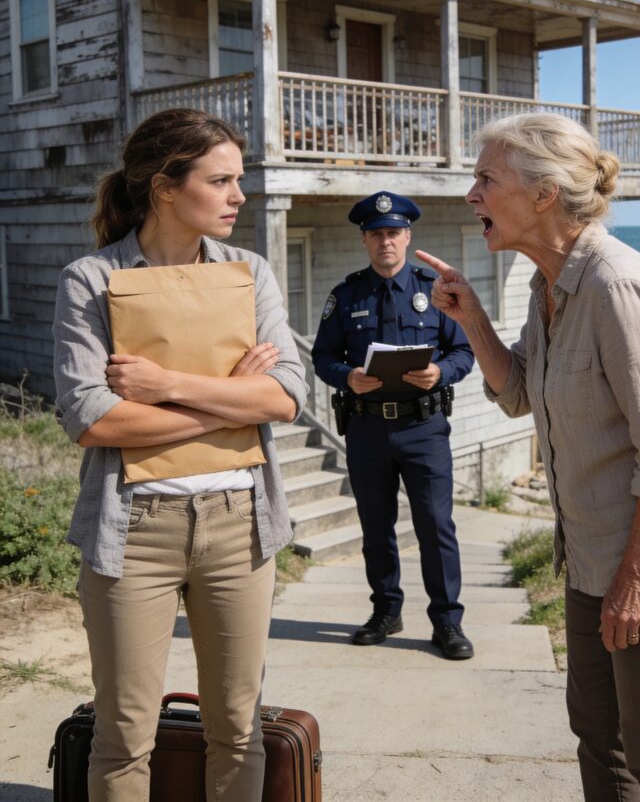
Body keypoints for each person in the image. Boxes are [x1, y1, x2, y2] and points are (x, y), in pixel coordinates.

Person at [416, 113, 640, 800]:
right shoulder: (549, 283)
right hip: (595, 556)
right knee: (601, 740)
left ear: (542, 195)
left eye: (485, 179)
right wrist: (471, 318)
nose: (471, 195)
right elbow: (516, 395)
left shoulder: (615, 285)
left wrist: (637, 578)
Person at [53, 109, 307, 802]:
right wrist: (232, 399)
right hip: (132, 531)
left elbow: (285, 397)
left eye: (239, 180)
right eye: (221, 180)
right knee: (124, 735)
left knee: (238, 730)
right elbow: (93, 419)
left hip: (239, 525)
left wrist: (167, 387)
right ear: (166, 188)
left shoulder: (248, 271)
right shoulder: (90, 280)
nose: (239, 195)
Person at [311, 191, 475, 659]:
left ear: (407, 236)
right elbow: (323, 356)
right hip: (366, 429)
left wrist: (440, 372)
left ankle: (447, 623)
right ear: (365, 240)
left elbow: (464, 351)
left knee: (436, 526)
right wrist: (349, 378)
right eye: (376, 234)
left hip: (424, 429)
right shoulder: (346, 296)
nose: (386, 241)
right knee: (376, 527)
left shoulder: (434, 290)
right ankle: (386, 610)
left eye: (393, 233)